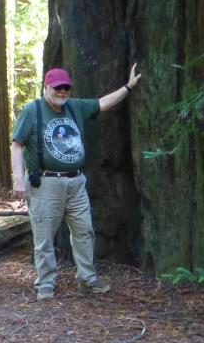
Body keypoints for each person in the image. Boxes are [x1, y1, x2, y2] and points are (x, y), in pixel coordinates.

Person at [11, 64, 142, 300]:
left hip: (76, 182)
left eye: (66, 88)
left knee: (84, 231)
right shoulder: (33, 111)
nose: (62, 92)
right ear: (46, 87)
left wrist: (128, 87)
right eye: (58, 88)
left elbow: (103, 103)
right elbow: (17, 144)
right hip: (45, 183)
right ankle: (46, 284)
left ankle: (87, 279)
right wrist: (18, 179)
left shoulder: (75, 107)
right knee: (44, 236)